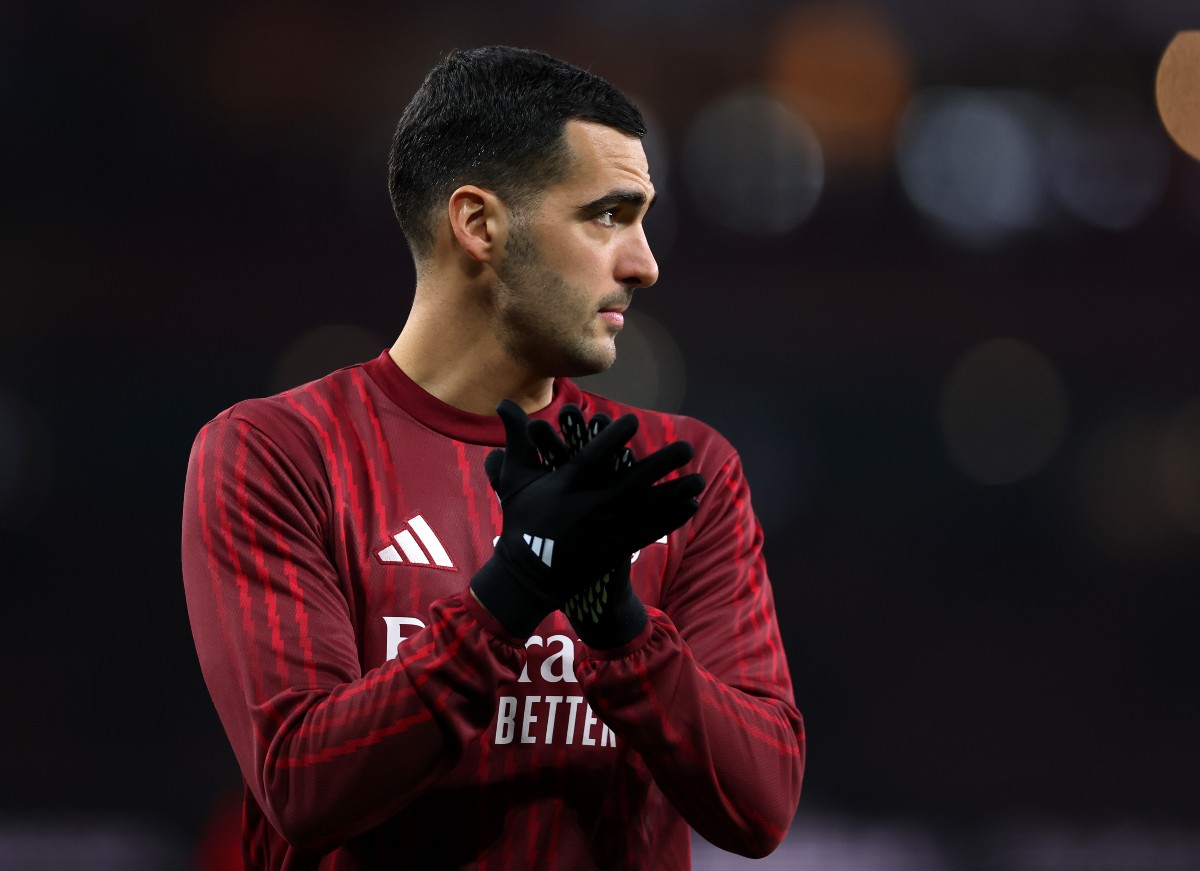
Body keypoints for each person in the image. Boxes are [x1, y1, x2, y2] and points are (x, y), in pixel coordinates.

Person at [182, 45, 804, 871]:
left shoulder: (681, 467)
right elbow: (304, 787)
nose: (644, 264)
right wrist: (511, 594)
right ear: (478, 224)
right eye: (608, 216)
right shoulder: (279, 452)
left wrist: (622, 632)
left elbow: (760, 807)